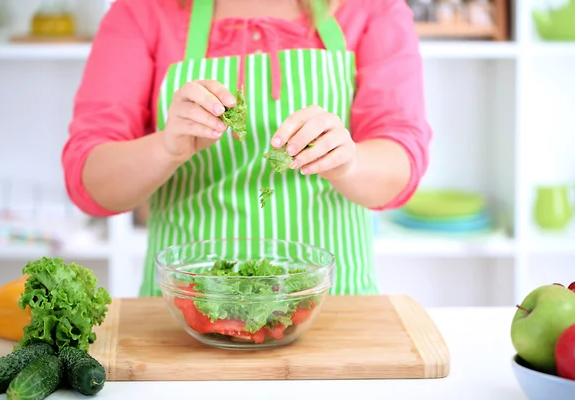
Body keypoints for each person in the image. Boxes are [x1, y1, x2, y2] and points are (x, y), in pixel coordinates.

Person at [62, 0, 432, 297]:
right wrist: (166, 148)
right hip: (186, 313)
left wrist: (347, 164)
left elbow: (400, 163)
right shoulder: (142, 11)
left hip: (331, 308)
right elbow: (92, 185)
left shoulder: (374, 8)